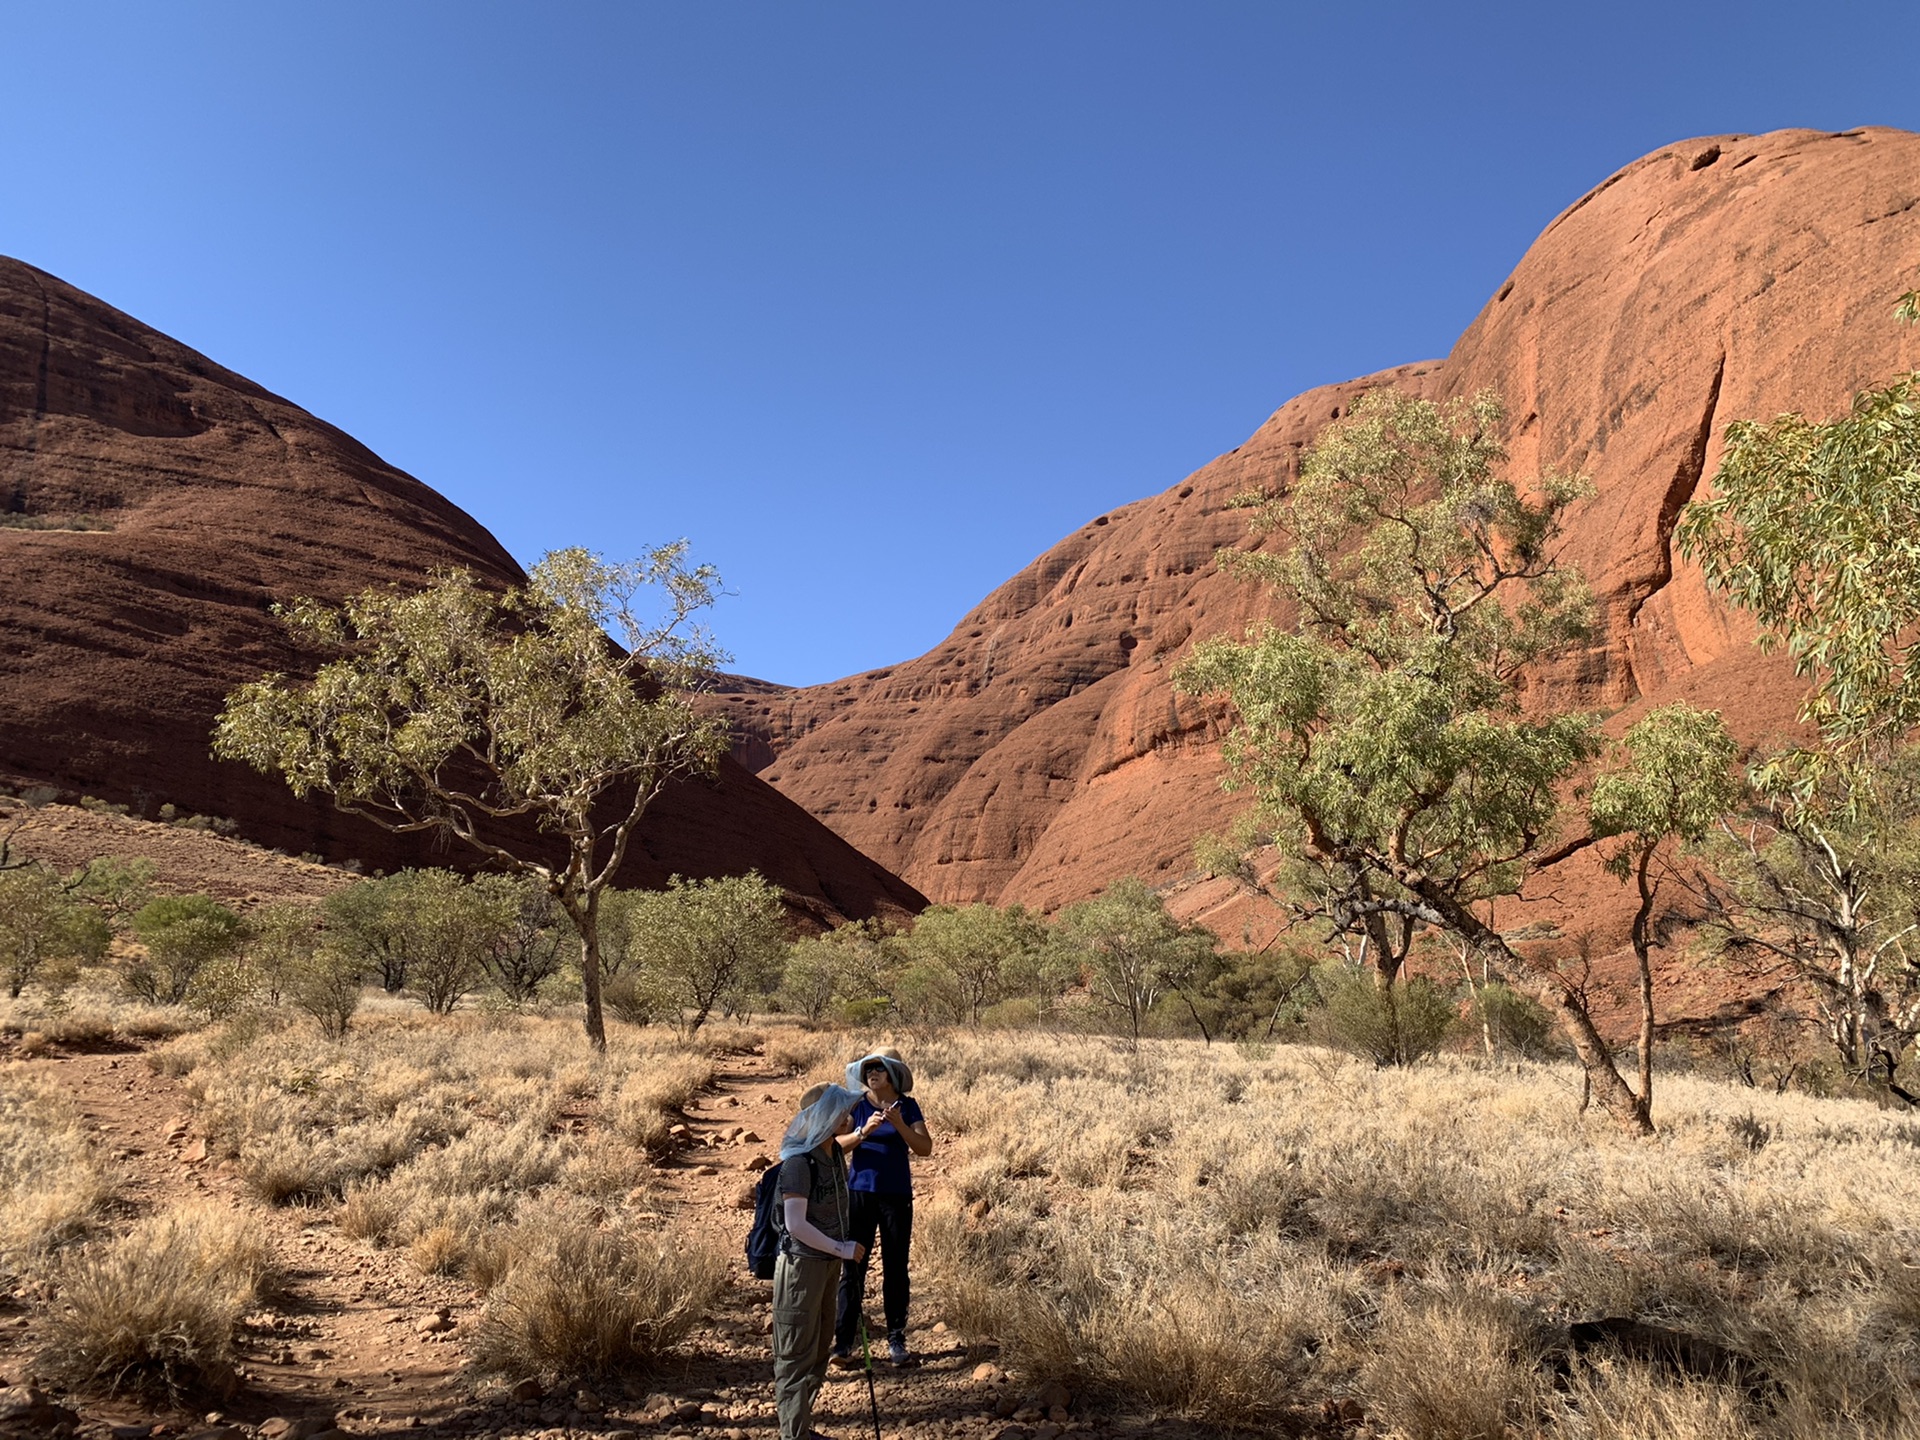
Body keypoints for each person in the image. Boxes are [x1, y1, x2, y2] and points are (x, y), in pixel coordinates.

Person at [772, 1080, 869, 1440]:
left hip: (827, 1265)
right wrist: (841, 1249)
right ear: (824, 1117)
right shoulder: (798, 1164)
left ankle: (799, 1428)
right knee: (795, 1356)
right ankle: (793, 1435)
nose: (847, 1116)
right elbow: (796, 1225)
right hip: (801, 1268)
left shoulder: (832, 1154)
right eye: (841, 1111)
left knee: (816, 1352)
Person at [831, 1047, 933, 1368]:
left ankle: (896, 1339)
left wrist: (899, 1124)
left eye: (878, 1068)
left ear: (891, 1074)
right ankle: (843, 1342)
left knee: (896, 1267)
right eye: (867, 1070)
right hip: (860, 1194)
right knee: (853, 1268)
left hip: (896, 1196)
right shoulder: (857, 1107)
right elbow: (835, 1145)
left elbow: (924, 1148)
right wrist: (863, 1132)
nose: (871, 1074)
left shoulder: (908, 1107)